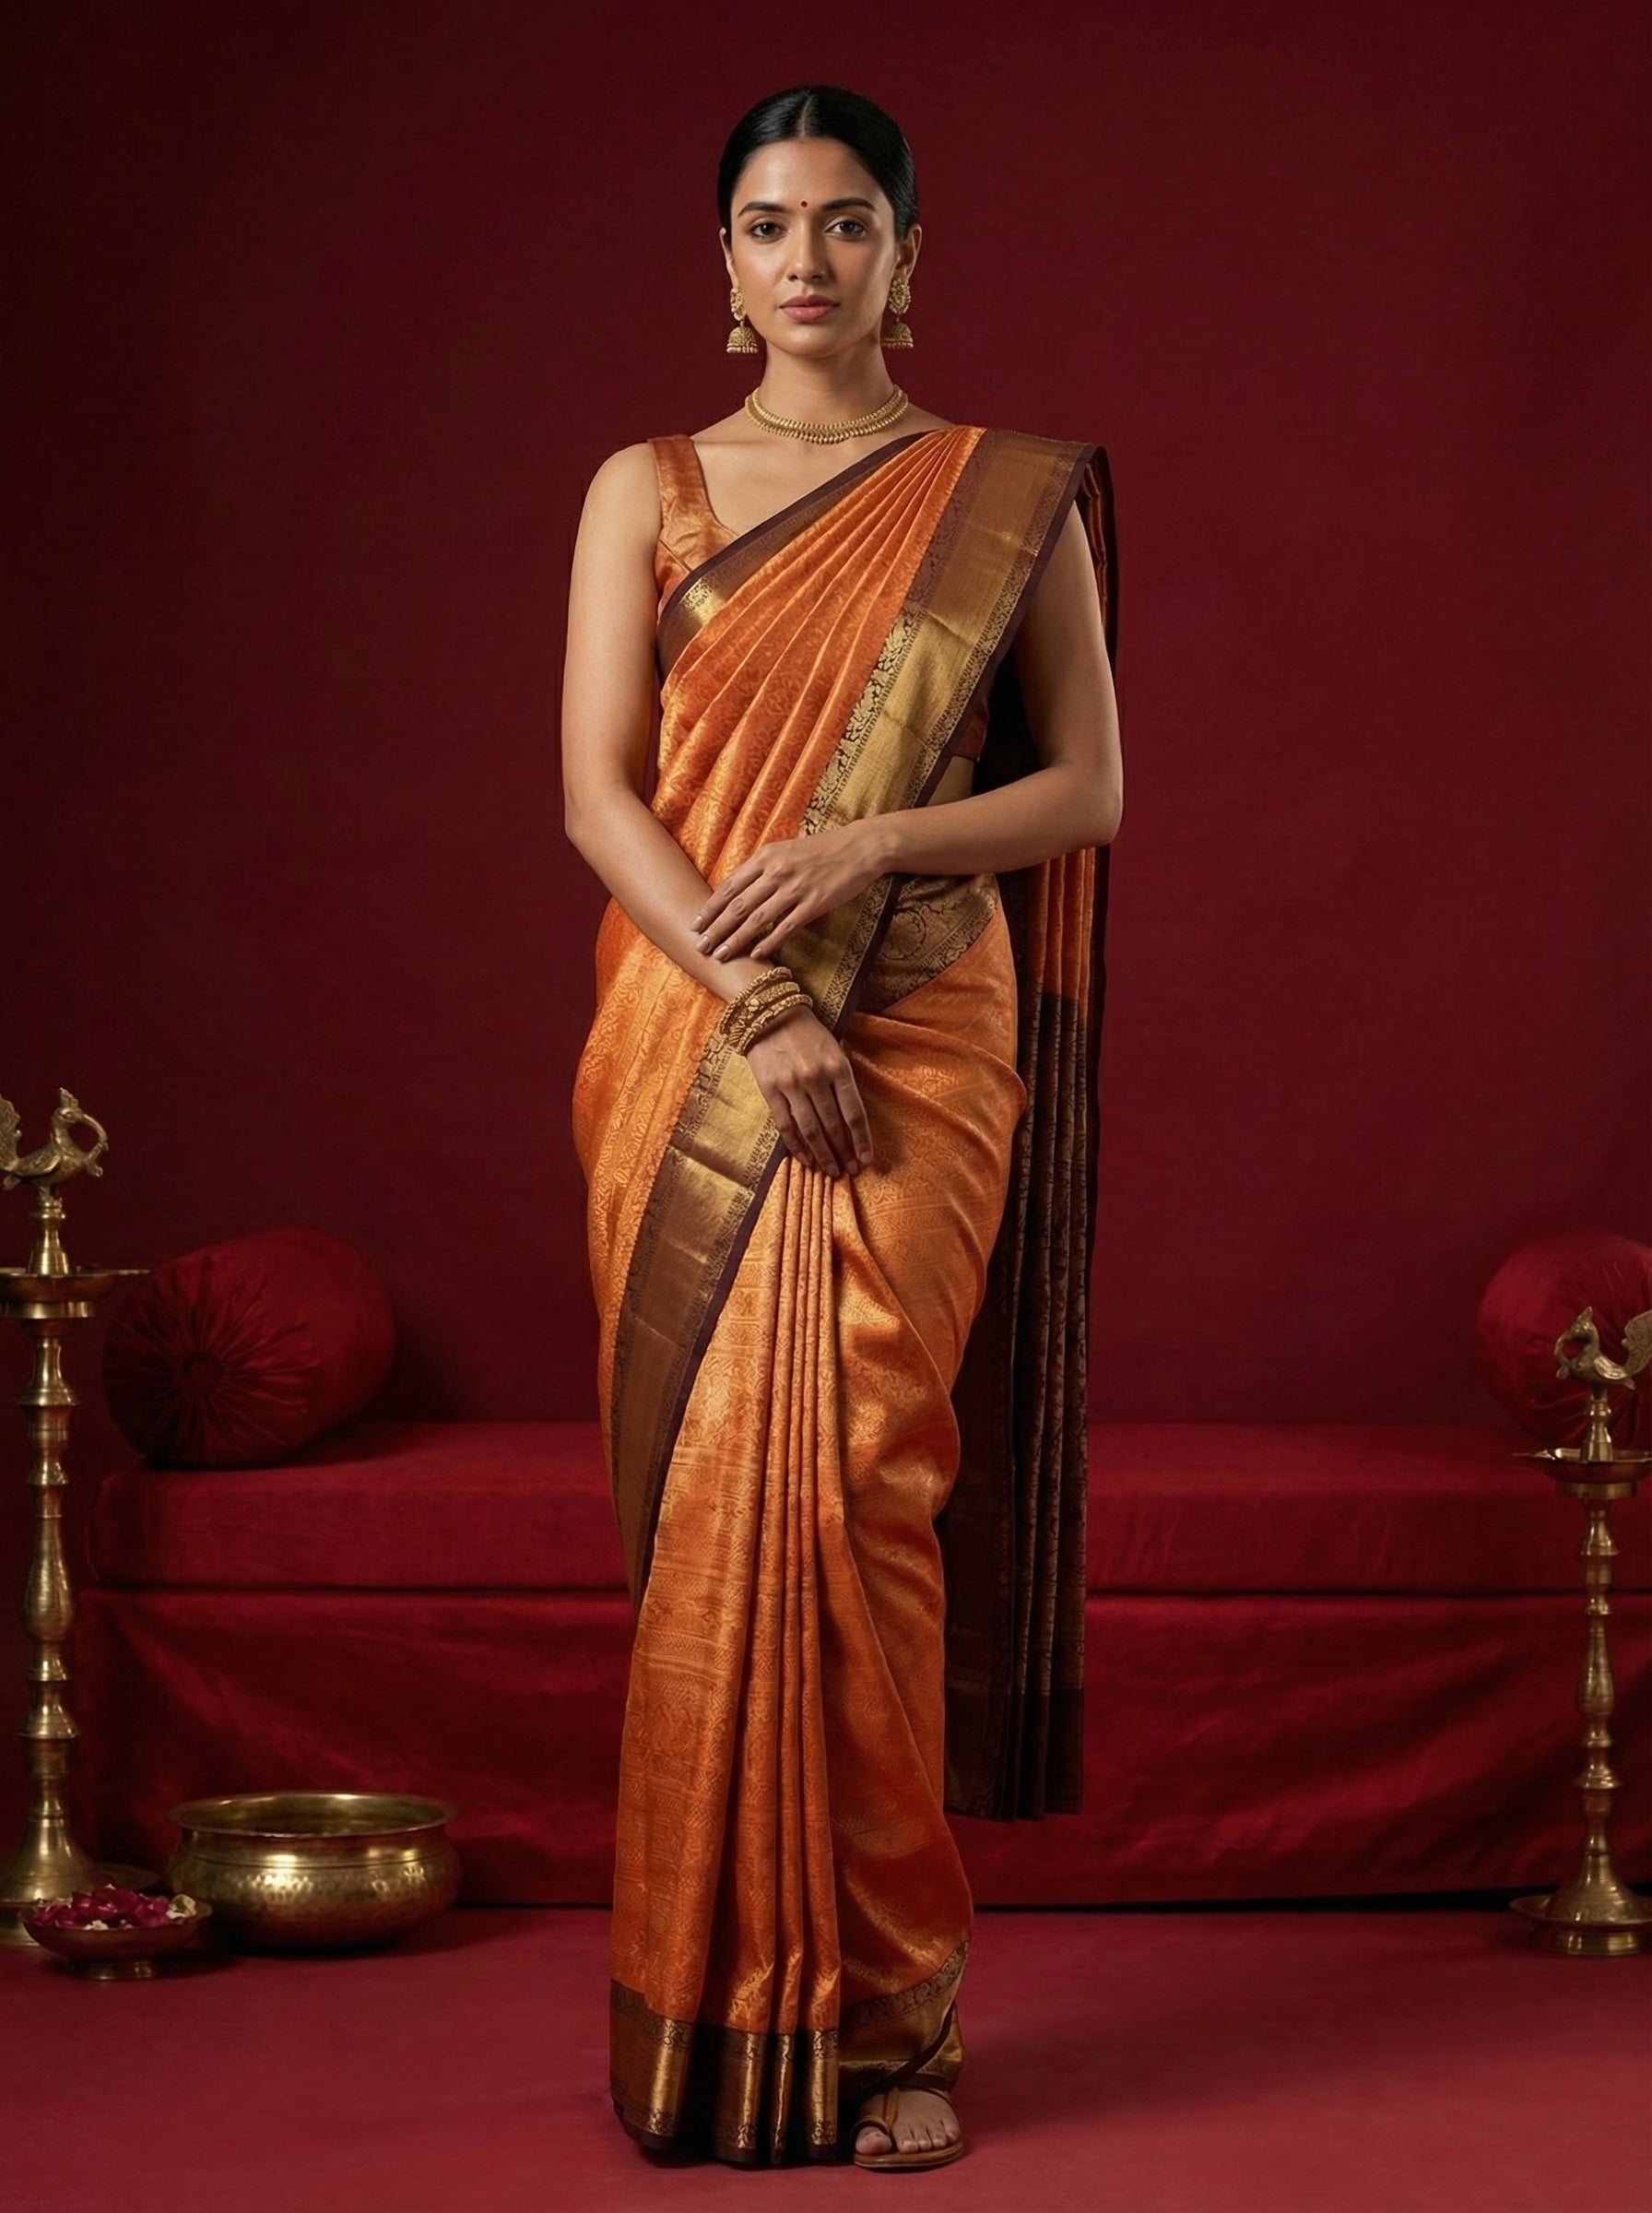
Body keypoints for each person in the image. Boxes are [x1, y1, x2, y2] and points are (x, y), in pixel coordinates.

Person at [562, 83, 1122, 2172]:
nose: (807, 259)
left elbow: (1083, 791)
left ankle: (891, 2015)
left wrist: (876, 831)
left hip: (925, 1023)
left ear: (909, 256)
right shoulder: (646, 486)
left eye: (848, 224)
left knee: (864, 1487)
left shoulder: (1002, 496)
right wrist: (754, 994)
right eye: (768, 224)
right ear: (719, 265)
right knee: (726, 1505)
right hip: (699, 1038)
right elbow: (597, 796)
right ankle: (711, 2010)